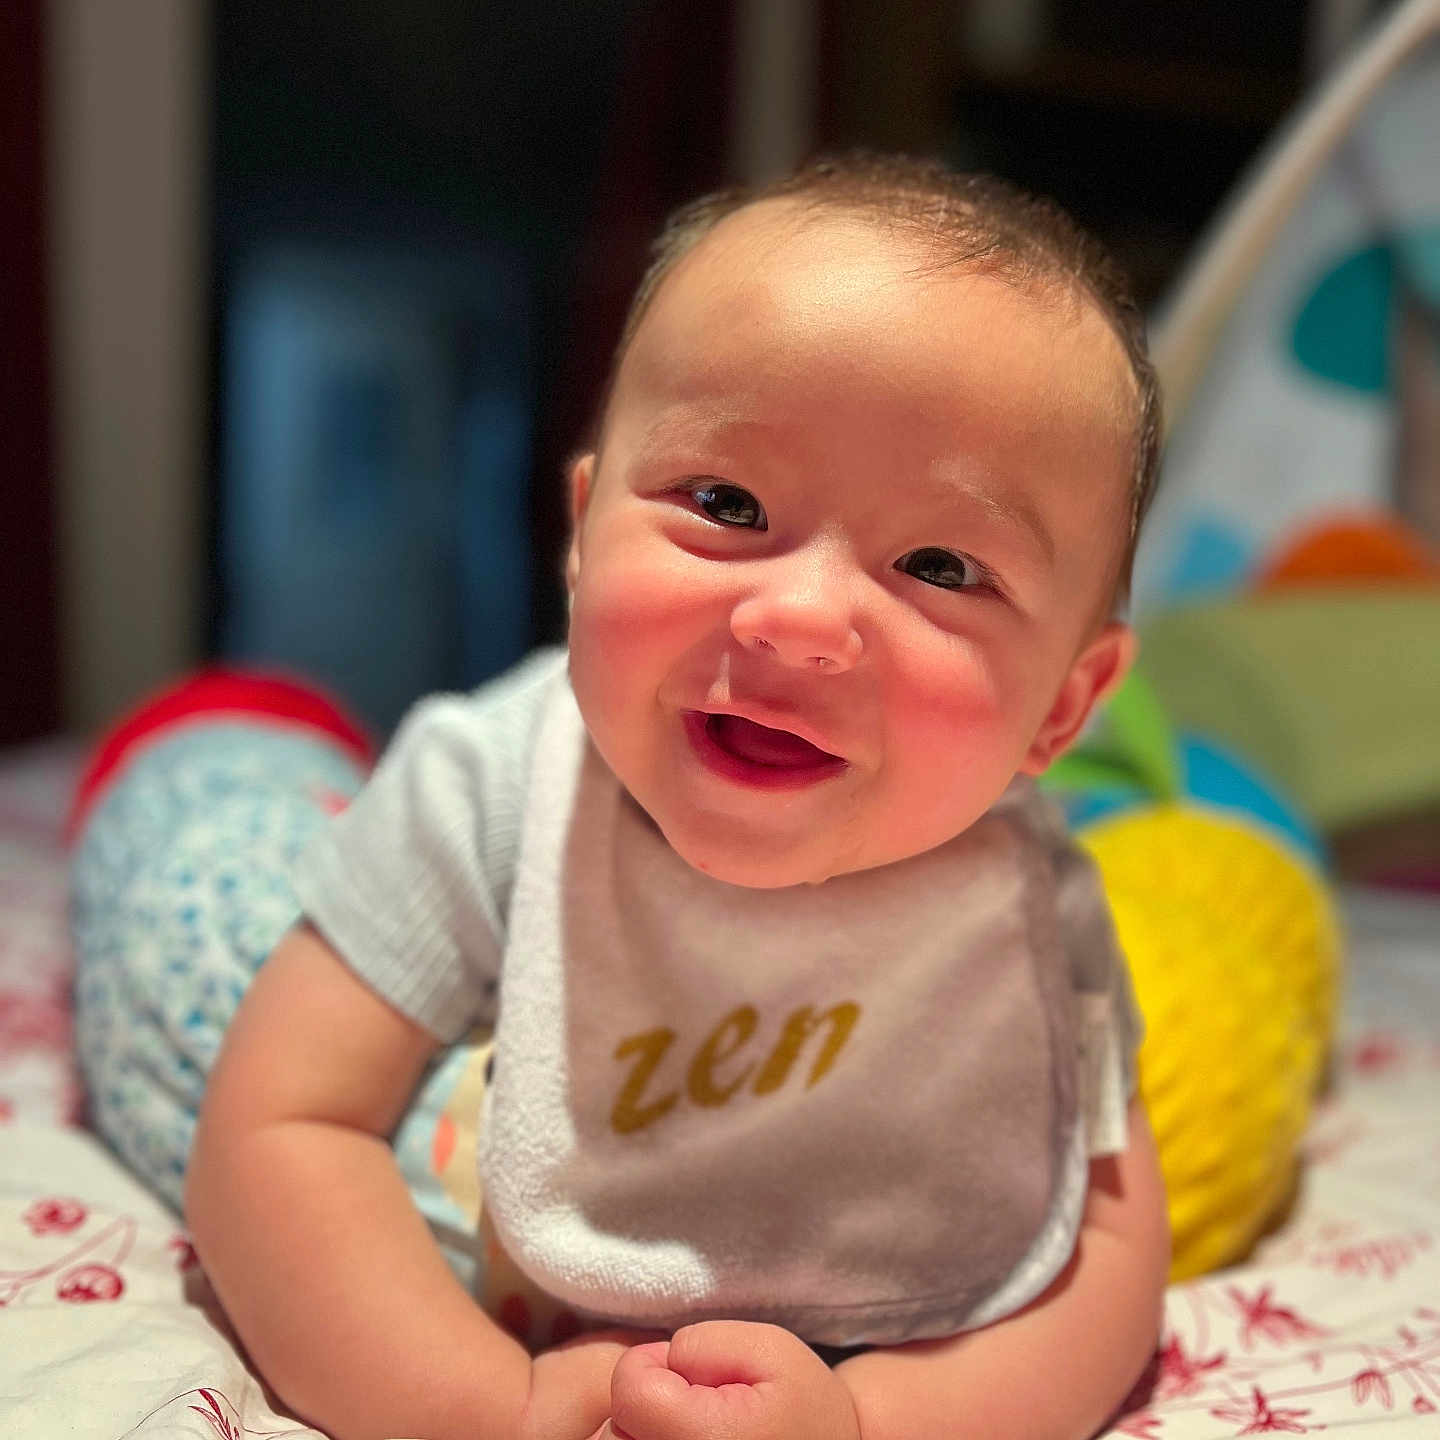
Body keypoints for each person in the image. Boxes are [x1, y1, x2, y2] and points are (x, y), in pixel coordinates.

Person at [169, 153, 1169, 1440]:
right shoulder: (494, 785)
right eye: (727, 503)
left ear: (1065, 711)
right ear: (583, 536)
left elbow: (1105, 1254)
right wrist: (488, 1406)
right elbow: (278, 1126)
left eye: (938, 563)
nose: (802, 619)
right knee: (199, 836)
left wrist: (873, 1423)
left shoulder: (1026, 910)